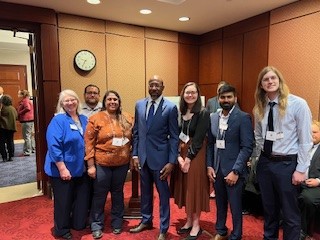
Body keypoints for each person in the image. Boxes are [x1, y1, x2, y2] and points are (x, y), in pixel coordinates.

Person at [253, 66, 313, 240]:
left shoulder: (298, 104)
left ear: (279, 81)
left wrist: (301, 169)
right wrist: (257, 159)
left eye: (273, 78)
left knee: (289, 213)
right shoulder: (259, 107)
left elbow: (305, 140)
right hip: (266, 163)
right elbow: (258, 136)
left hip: (287, 164)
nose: (270, 81)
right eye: (266, 80)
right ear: (261, 85)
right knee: (269, 210)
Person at [130, 75, 179, 240]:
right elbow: (136, 132)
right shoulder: (139, 105)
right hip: (143, 158)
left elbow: (174, 137)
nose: (154, 88)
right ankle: (146, 220)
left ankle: (164, 228)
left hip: (161, 160)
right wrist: (135, 154)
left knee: (163, 195)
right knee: (145, 193)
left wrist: (172, 161)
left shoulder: (171, 108)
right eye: (151, 85)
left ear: (162, 87)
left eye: (157, 85)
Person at [206, 84, 254, 240]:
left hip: (234, 170)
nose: (226, 100)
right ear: (218, 98)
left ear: (235, 98)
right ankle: (221, 230)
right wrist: (209, 166)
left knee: (235, 206)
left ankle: (236, 234)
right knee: (220, 204)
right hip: (217, 169)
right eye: (223, 97)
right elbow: (211, 144)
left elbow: (247, 147)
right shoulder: (213, 117)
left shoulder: (243, 117)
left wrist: (236, 171)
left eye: (229, 97)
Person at [84, 90, 134, 239]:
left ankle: (117, 222)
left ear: (119, 102)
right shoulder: (95, 118)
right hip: (102, 164)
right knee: (99, 195)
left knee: (118, 193)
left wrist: (132, 158)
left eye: (115, 99)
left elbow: (134, 138)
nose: (112, 102)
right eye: (109, 99)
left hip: (122, 163)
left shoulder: (127, 117)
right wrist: (91, 166)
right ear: (104, 102)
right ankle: (96, 224)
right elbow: (89, 144)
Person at [44, 89, 91, 240]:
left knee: (81, 201)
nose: (70, 103)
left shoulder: (84, 119)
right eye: (66, 101)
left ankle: (77, 223)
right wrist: (62, 168)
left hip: (80, 168)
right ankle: (61, 229)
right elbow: (54, 146)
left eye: (73, 100)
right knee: (63, 202)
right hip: (61, 169)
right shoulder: (58, 120)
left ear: (78, 101)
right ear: (61, 104)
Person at [171, 82, 210, 239]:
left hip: (196, 154)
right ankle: (188, 221)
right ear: (183, 94)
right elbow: (175, 135)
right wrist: (179, 157)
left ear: (197, 94)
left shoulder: (203, 112)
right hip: (182, 152)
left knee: (194, 188)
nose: (190, 95)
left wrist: (187, 159)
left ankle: (196, 224)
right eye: (187, 92)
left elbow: (199, 139)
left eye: (193, 92)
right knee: (186, 188)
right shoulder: (181, 112)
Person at [299, 120, 320, 240]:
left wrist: (318, 181)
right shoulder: (301, 146)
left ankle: (304, 232)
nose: (312, 135)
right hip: (299, 181)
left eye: (315, 132)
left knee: (307, 199)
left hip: (316, 185)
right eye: (309, 132)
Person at [206, 81, 226, 199]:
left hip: (226, 139)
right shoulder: (211, 101)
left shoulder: (230, 101)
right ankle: (214, 188)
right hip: (214, 135)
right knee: (214, 163)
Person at [0, 95, 18, 162]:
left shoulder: (3, 109)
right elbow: (16, 117)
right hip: (12, 127)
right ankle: (11, 156)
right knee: (10, 141)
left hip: (3, 128)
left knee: (1, 143)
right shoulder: (12, 108)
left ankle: (4, 157)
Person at [17, 90, 35, 156]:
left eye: (19, 94)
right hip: (30, 119)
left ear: (23, 95)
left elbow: (28, 108)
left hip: (26, 120)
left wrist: (20, 112)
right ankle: (32, 149)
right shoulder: (27, 100)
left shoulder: (25, 101)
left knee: (26, 136)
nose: (18, 95)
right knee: (30, 135)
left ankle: (28, 151)